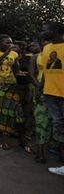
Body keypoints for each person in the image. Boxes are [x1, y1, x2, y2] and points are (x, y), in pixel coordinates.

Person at [0, 34, 27, 150]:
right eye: (7, 42)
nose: (10, 45)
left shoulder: (14, 54)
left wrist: (22, 73)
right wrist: (5, 54)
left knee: (18, 113)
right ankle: (0, 139)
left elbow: (16, 70)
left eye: (11, 42)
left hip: (12, 86)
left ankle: (22, 141)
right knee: (0, 113)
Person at [40, 22, 64, 175]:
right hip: (50, 93)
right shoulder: (47, 48)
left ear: (54, 31)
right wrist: (40, 88)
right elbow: (45, 71)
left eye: (45, 30)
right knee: (59, 126)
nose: (42, 32)